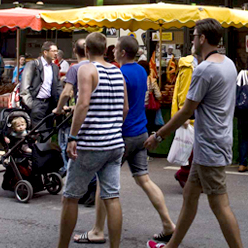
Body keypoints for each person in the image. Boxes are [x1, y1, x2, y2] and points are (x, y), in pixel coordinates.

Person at [144, 18, 243, 248]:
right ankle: (171, 246)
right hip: (212, 142)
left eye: (195, 34)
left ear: (203, 39)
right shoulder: (227, 63)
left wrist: (158, 135)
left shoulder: (204, 69)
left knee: (220, 204)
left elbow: (187, 110)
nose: (192, 39)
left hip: (210, 144)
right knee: (190, 196)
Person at [83, 35, 176, 245]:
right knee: (144, 179)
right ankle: (168, 224)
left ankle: (98, 230)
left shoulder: (119, 73)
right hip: (141, 133)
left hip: (123, 134)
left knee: (103, 181)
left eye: (115, 48)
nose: (113, 51)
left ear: (123, 52)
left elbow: (121, 106)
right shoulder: (142, 71)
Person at [56, 32, 126, 248]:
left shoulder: (86, 69)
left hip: (90, 143)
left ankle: (62, 246)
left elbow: (83, 103)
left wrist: (73, 136)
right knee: (111, 197)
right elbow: (125, 108)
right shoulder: (117, 71)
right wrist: (113, 127)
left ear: (86, 50)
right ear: (106, 50)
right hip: (114, 144)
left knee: (70, 197)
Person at [53, 39, 89, 177]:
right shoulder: (97, 67)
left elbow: (66, 93)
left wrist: (59, 108)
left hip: (79, 114)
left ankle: (70, 174)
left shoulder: (75, 68)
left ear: (74, 50)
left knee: (70, 143)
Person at [169, 46, 197, 187]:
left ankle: (187, 175)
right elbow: (184, 92)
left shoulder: (193, 66)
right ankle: (183, 174)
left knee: (193, 147)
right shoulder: (189, 67)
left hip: (193, 113)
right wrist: (184, 114)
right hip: (190, 115)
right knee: (191, 147)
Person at [21, 42, 62, 132]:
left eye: (57, 51)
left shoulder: (55, 68)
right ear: (45, 52)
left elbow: (58, 87)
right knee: (38, 133)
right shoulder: (33, 65)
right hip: (37, 104)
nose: (56, 54)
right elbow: (24, 87)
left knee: (48, 132)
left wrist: (60, 104)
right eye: (53, 51)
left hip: (50, 105)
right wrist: (31, 105)